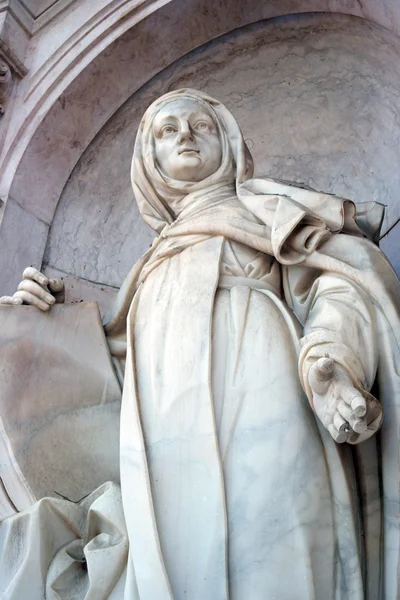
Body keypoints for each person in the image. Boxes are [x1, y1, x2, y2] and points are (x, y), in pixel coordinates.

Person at [1, 89, 400, 599]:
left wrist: (329, 360)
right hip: (166, 434)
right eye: (168, 131)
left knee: (280, 536)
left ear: (229, 144)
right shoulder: (147, 271)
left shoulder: (271, 214)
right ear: (150, 161)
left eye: (201, 126)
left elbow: (341, 283)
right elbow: (113, 389)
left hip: (267, 385)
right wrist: (40, 325)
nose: (186, 136)